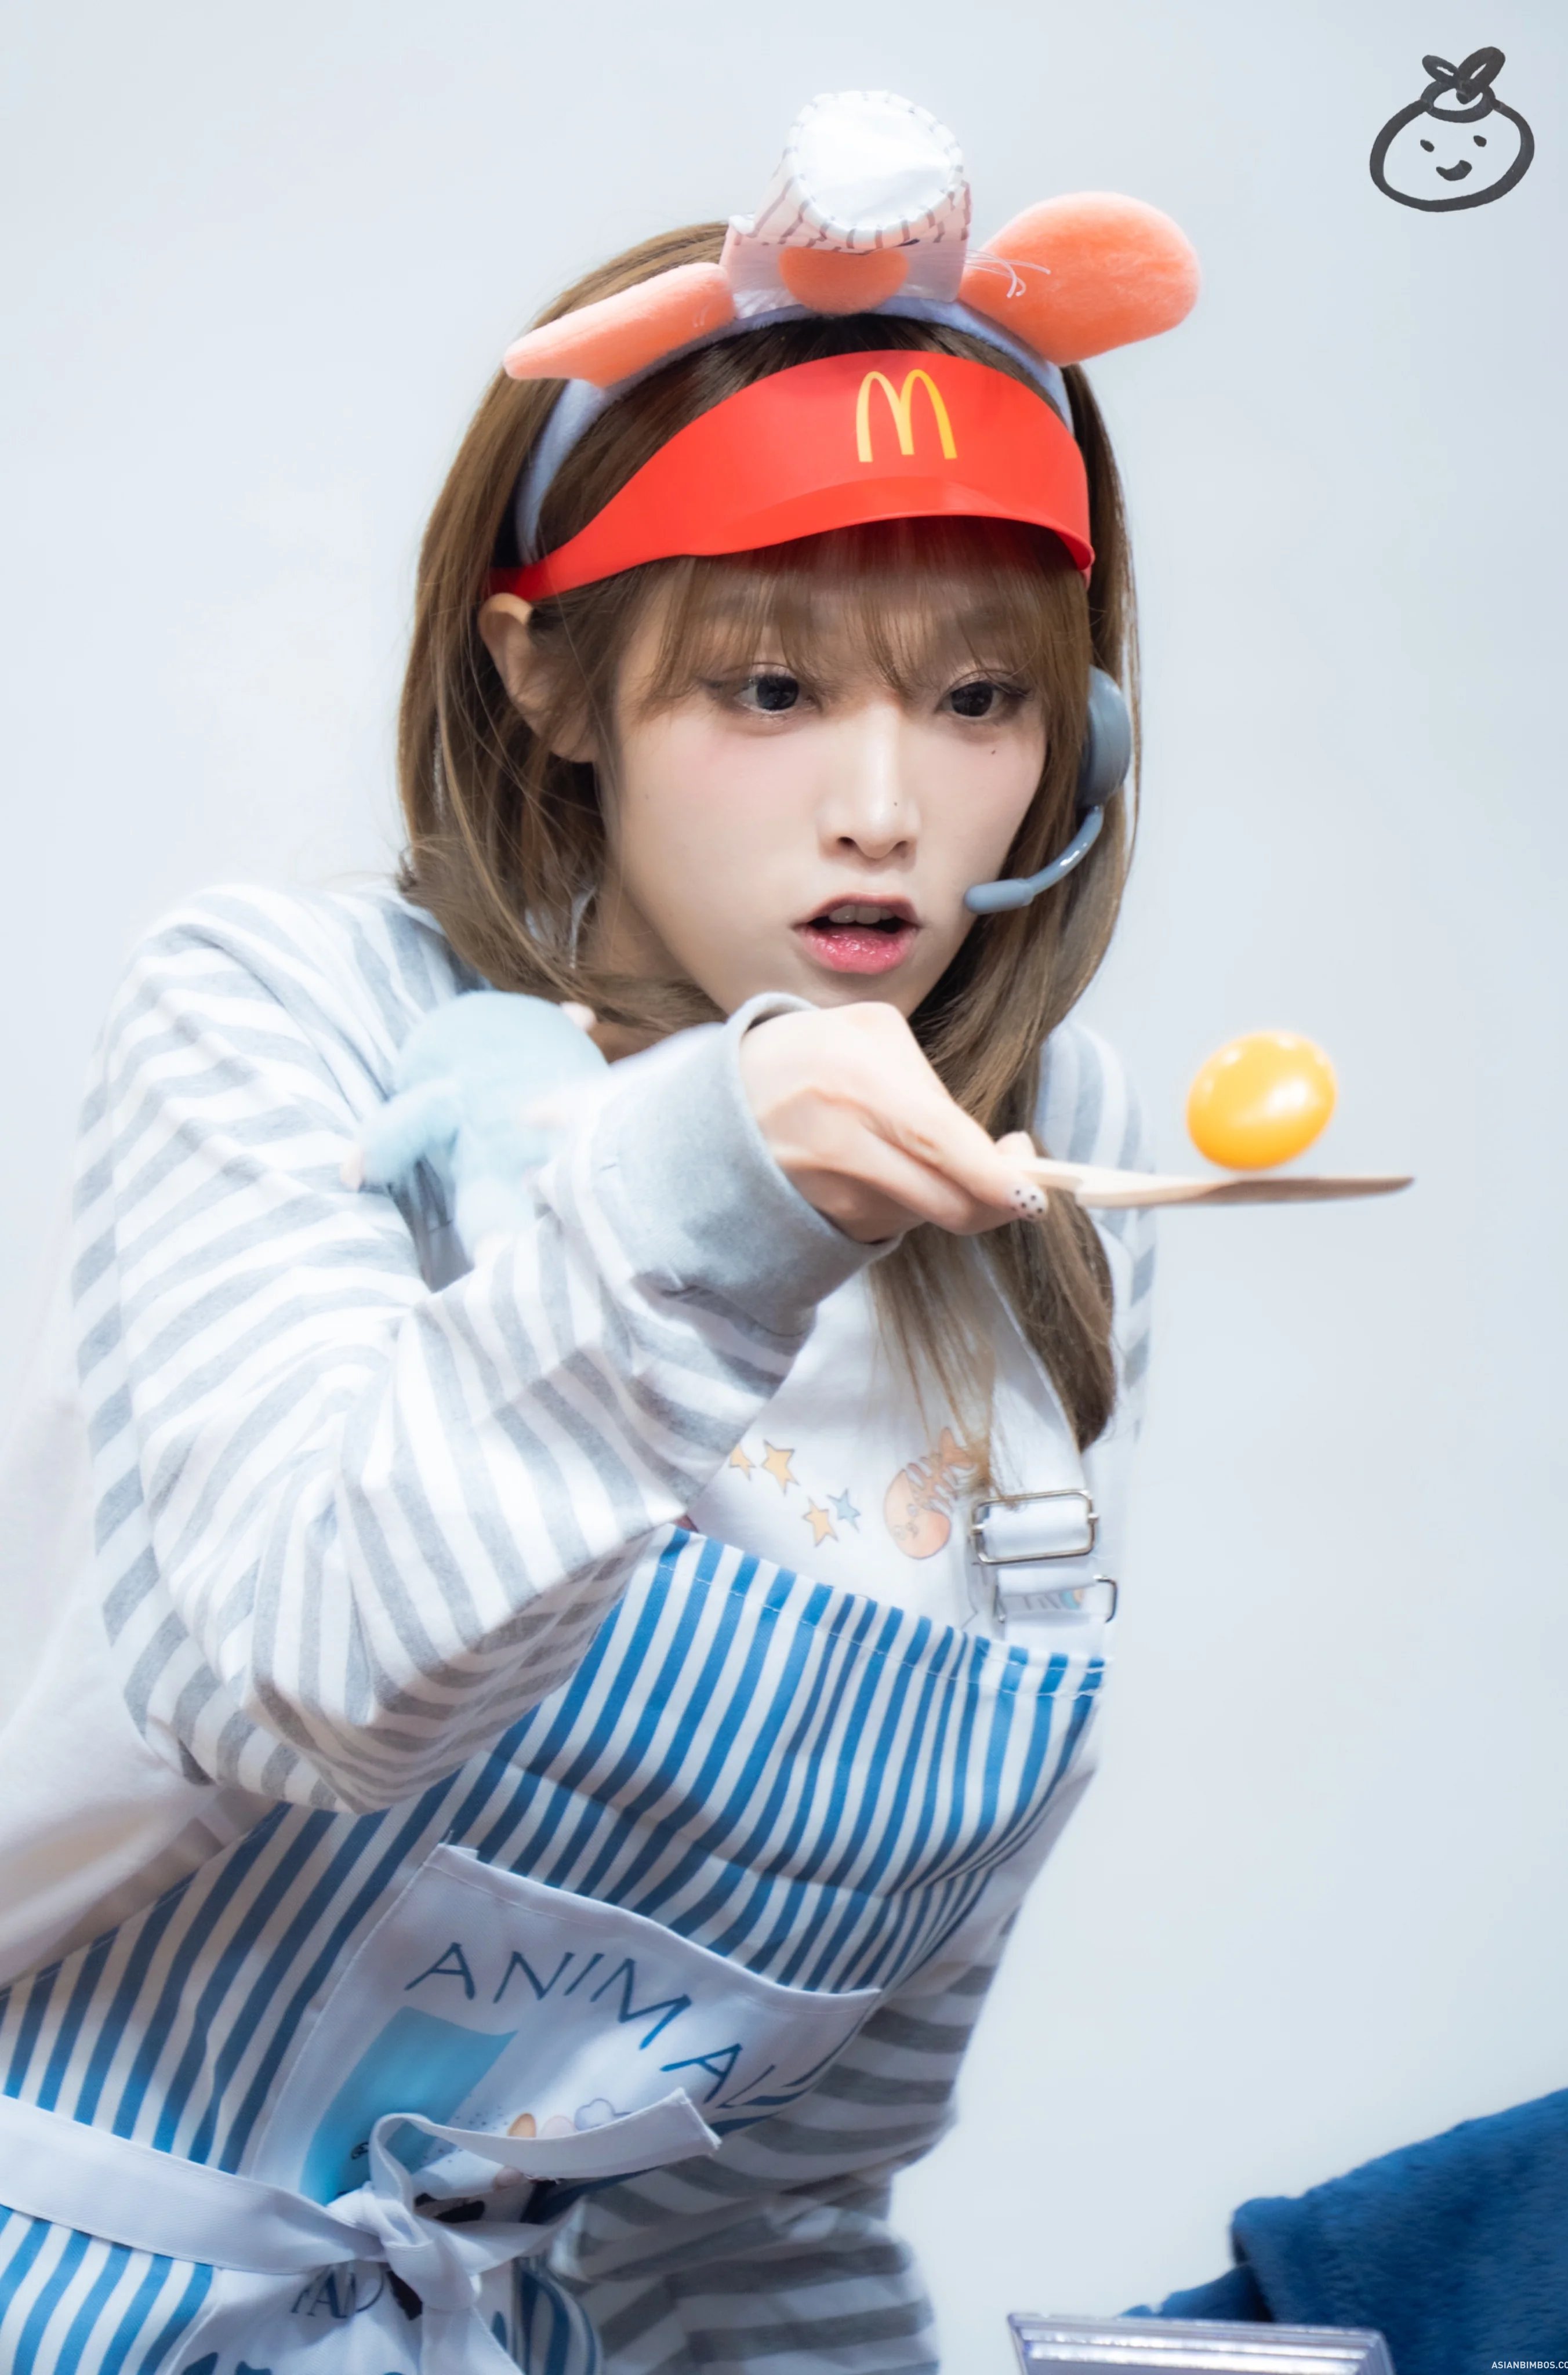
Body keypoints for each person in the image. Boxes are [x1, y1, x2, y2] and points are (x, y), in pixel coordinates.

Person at [0, 90, 1197, 2375]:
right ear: (546, 675)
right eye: (771, 688)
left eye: (977, 700)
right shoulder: (290, 1015)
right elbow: (310, 1675)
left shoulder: (1058, 1171)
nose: (885, 808)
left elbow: (758, 2207)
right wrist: (716, 1184)